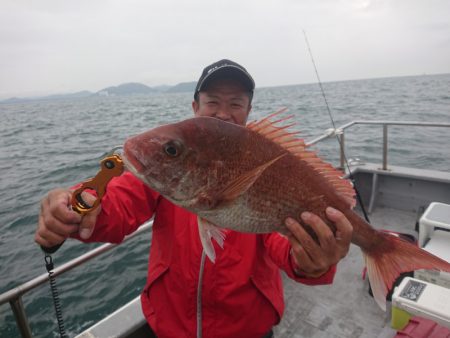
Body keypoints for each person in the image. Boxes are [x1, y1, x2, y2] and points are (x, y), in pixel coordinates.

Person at [36, 59, 353, 338]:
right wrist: (77, 204)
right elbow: (118, 202)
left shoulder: (263, 161)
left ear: (249, 110)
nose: (224, 114)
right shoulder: (176, 167)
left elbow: (283, 243)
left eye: (236, 104)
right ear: (195, 108)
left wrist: (312, 263)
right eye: (212, 102)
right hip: (171, 329)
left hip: (248, 330)